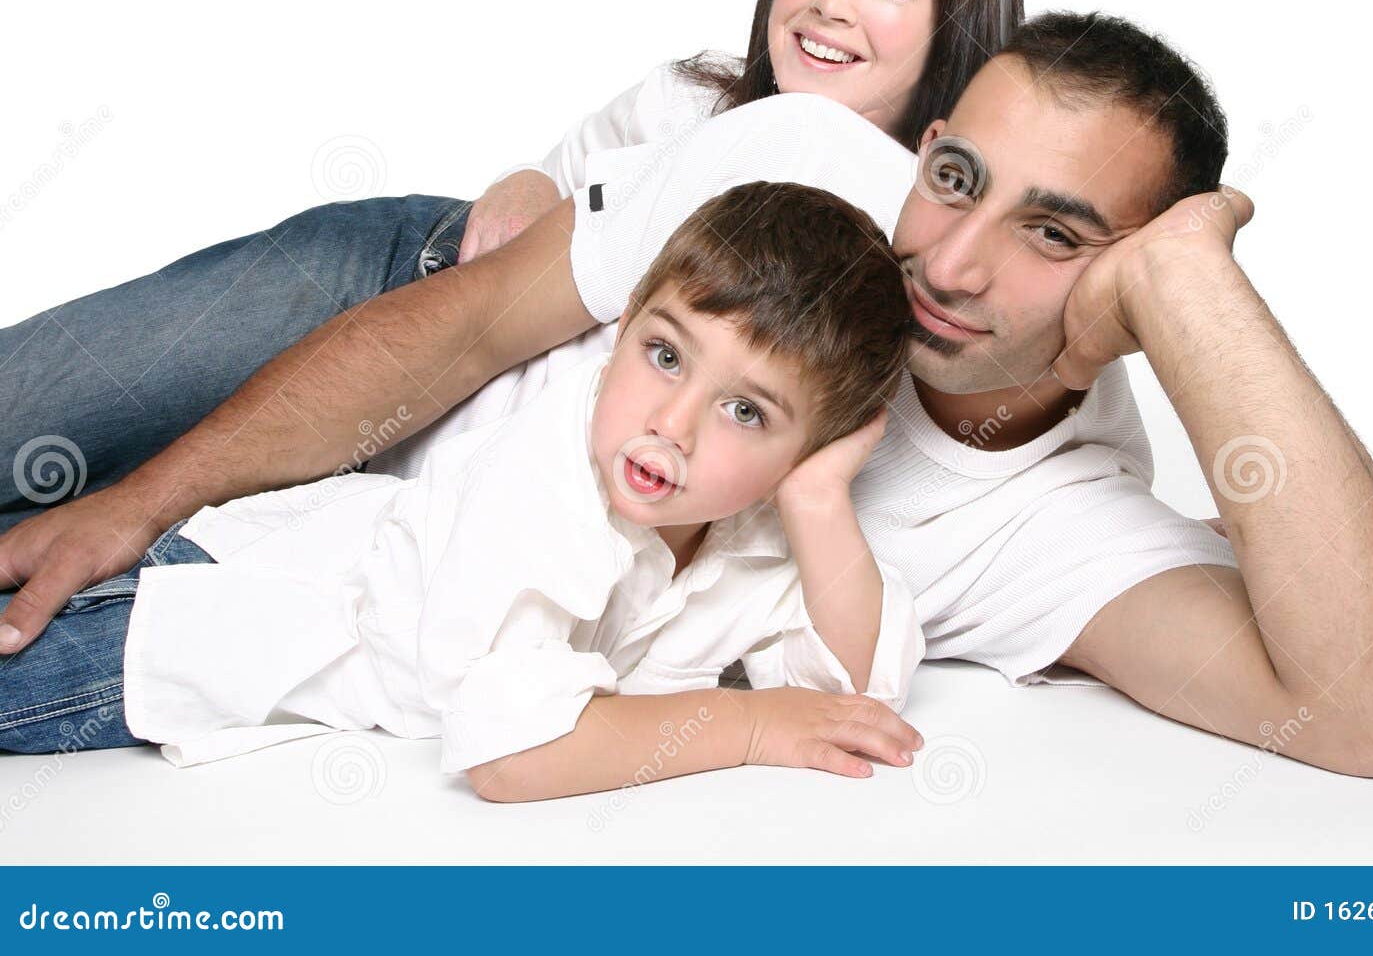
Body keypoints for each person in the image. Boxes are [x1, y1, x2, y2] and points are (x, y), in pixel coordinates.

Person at [3, 7, 1373, 778]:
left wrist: (1197, 284)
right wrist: (135, 500)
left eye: (1054, 233)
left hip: (338, 597)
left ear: (1128, 297)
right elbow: (452, 338)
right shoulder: (808, 165)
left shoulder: (1058, 526)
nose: (946, 259)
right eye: (954, 177)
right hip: (393, 298)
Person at [0, 0, 1021, 529]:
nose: (830, 2)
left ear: (954, 28)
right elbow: (550, 182)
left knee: (73, 525)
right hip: (400, 282)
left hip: (393, 494)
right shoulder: (690, 103)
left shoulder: (940, 260)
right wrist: (531, 183)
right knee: (37, 410)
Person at [0, 184, 927, 801]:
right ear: (626, 324)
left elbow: (855, 687)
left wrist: (816, 498)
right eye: (664, 353)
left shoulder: (753, 524)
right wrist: (752, 723)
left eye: (745, 410)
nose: (671, 424)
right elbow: (507, 751)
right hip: (192, 613)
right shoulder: (556, 464)